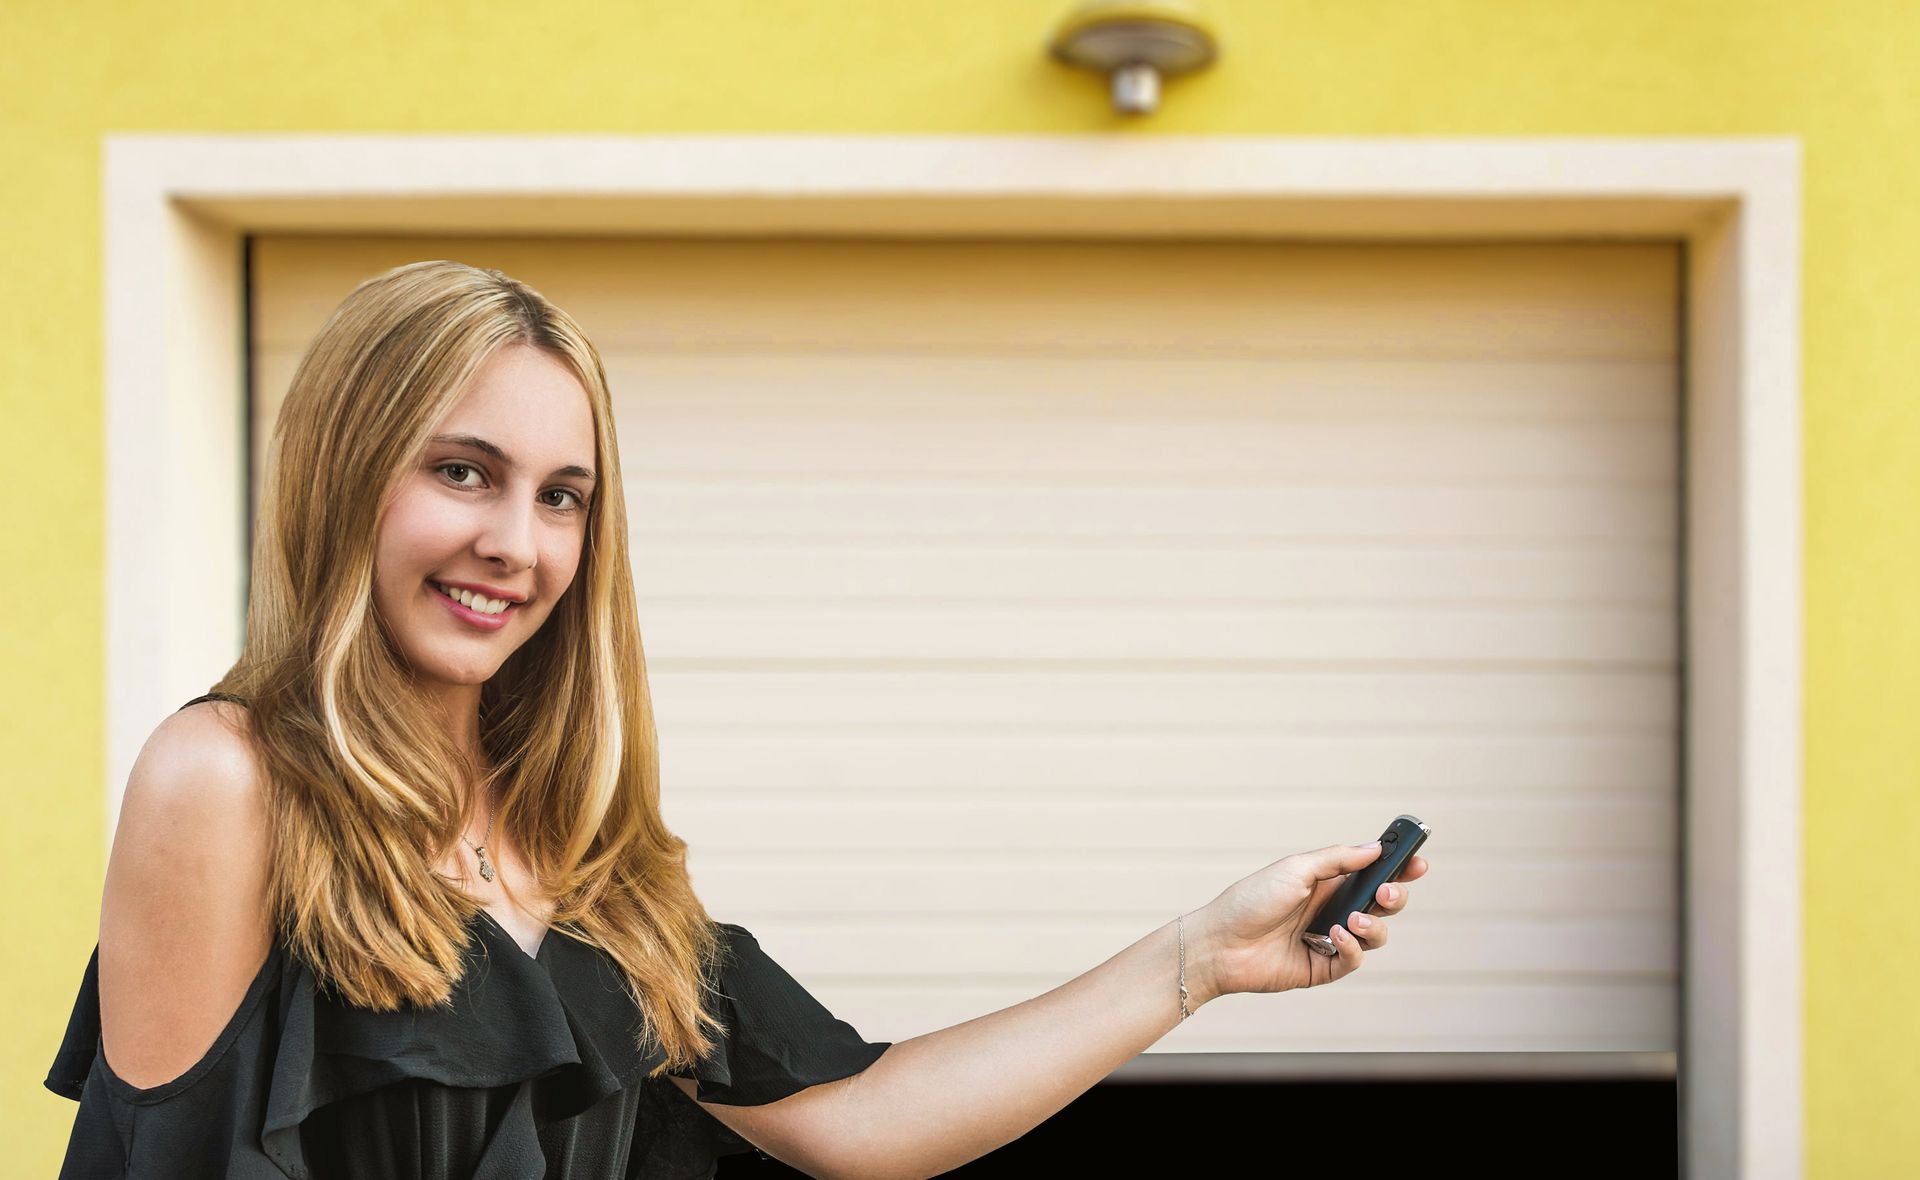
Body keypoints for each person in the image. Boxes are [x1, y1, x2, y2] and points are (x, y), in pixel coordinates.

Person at [44, 259, 1429, 1179]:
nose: (516, 544)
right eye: (464, 473)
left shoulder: (580, 841)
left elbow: (857, 1116)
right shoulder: (225, 782)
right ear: (343, 477)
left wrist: (1196, 960)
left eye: (562, 496)